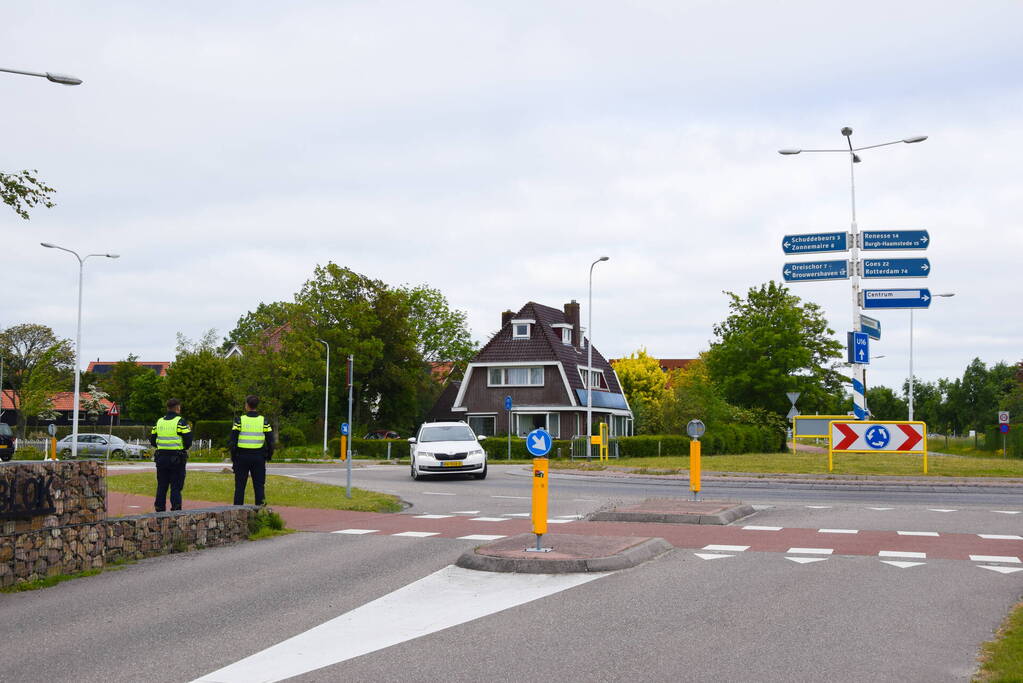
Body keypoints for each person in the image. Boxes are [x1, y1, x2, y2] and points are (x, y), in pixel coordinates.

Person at [229, 394, 274, 506]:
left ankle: (237, 513)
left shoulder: (239, 420)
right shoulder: (264, 421)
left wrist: (233, 458)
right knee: (259, 487)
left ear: (246, 406)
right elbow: (270, 441)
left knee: (239, 487)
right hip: (258, 457)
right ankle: (261, 515)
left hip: (241, 457)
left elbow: (233, 441)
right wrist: (269, 455)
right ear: (256, 406)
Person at [149, 397, 192, 512]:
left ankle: (159, 510)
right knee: (176, 487)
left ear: (167, 408)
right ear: (178, 408)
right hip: (177, 458)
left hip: (161, 458)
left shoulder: (159, 422)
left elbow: (152, 440)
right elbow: (188, 441)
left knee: (162, 485)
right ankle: (176, 510)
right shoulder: (181, 422)